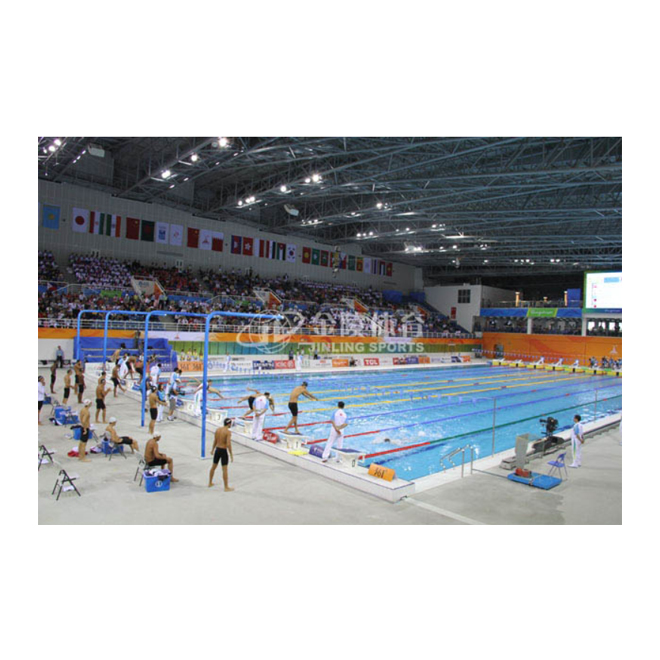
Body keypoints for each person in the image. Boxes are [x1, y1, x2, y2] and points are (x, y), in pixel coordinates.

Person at [209, 418, 234, 491]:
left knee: (213, 467)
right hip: (223, 451)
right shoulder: (228, 432)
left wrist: (212, 449)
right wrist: (231, 454)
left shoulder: (218, 430)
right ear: (229, 424)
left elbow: (215, 440)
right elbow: (228, 444)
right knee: (224, 470)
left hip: (217, 450)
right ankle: (226, 487)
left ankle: (210, 483)